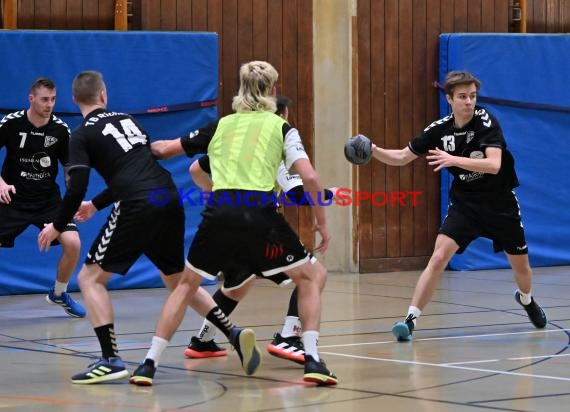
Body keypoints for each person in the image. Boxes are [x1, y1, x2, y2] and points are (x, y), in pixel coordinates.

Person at [38, 70, 258, 385]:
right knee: (177, 279)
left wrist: (58, 225)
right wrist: (96, 205)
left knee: (89, 279)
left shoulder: (81, 134)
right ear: (104, 95)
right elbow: (135, 169)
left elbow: (77, 187)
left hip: (136, 203)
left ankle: (110, 359)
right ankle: (233, 333)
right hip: (165, 195)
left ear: (74, 100)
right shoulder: (128, 120)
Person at [133, 61, 338, 386]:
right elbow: (309, 176)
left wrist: (133, 142)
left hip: (220, 212)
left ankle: (148, 364)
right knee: (310, 276)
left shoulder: (221, 126)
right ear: (272, 91)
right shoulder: (280, 127)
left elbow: (166, 150)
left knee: (186, 286)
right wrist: (321, 223)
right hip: (260, 213)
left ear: (240, 89)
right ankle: (310, 358)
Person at [367, 70, 547, 342]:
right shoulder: (439, 129)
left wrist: (453, 160)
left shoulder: (486, 121)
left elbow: (493, 164)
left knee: (521, 267)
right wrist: (374, 150)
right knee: (439, 256)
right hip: (466, 205)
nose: (469, 102)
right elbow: (403, 156)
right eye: (462, 97)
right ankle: (410, 320)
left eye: (472, 96)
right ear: (449, 99)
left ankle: (526, 299)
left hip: (500, 204)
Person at [0, 77, 85, 318]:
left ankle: (59, 292)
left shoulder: (60, 129)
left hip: (47, 201)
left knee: (73, 243)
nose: (49, 105)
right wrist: (1, 183)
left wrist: (74, 194)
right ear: (32, 99)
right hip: (12, 199)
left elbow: (70, 169)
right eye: (45, 99)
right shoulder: (11, 123)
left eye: (53, 99)